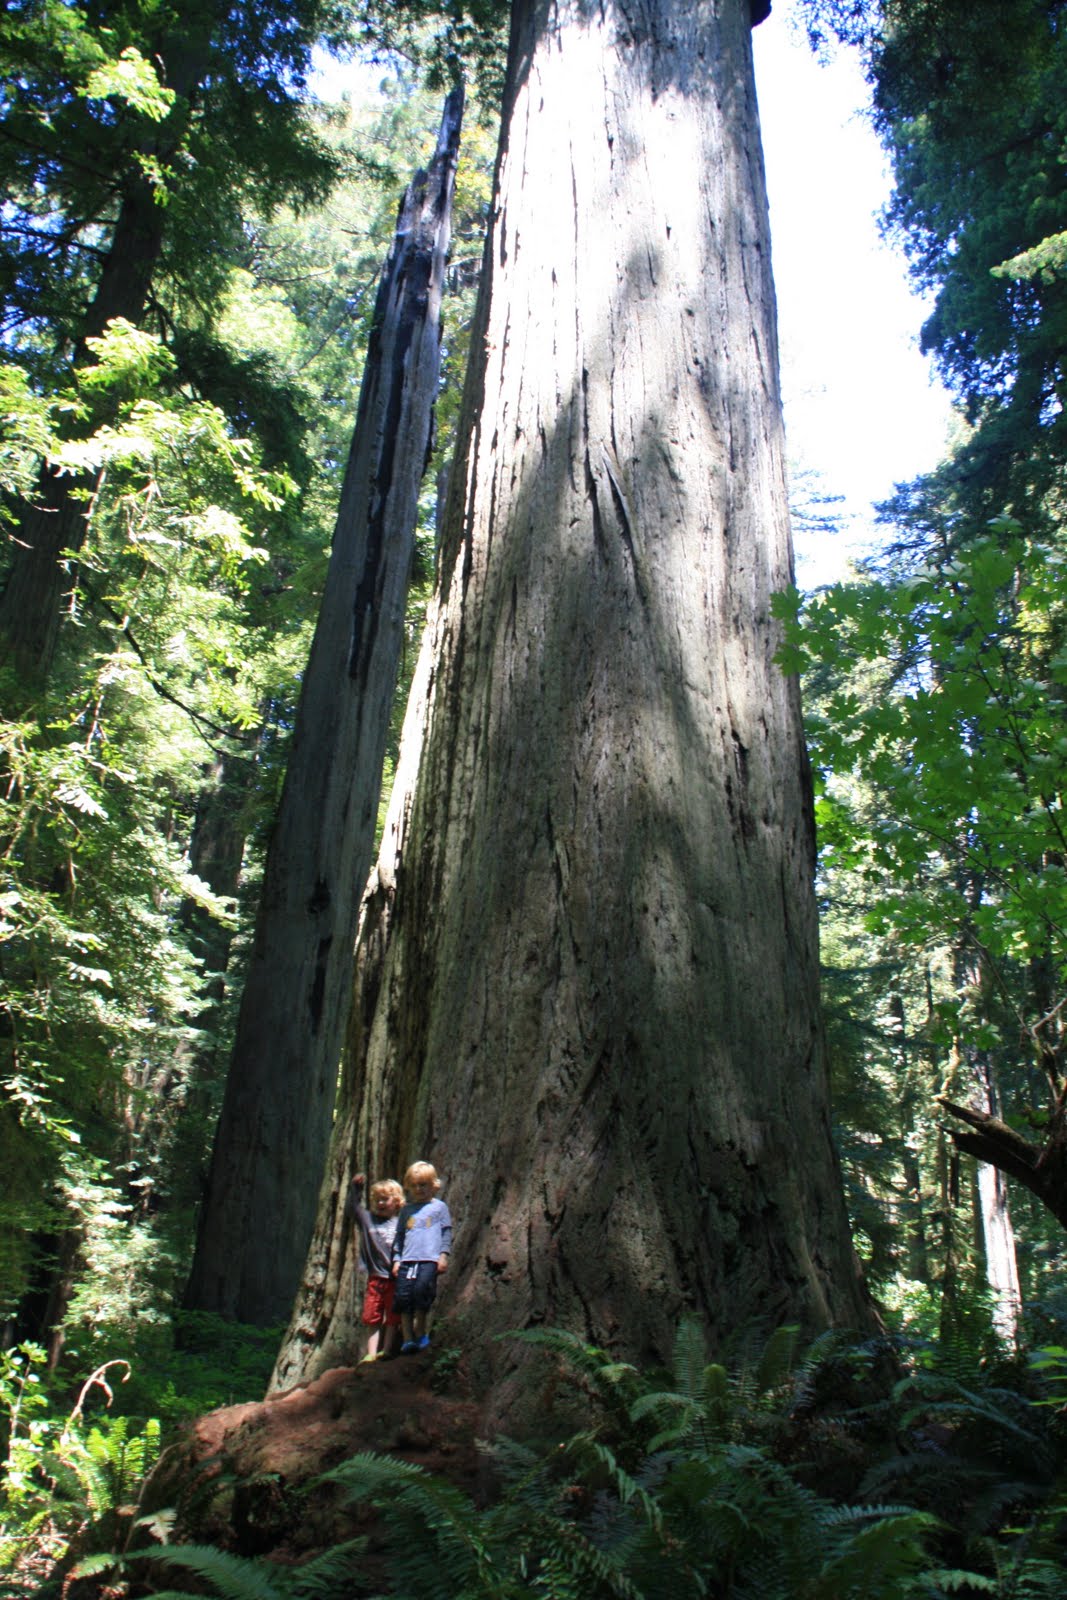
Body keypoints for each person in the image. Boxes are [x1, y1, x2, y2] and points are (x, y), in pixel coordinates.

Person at [391, 1161, 452, 1353]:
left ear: (433, 1185)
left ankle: (421, 1334)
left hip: (429, 1260)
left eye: (423, 1184)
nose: (419, 1189)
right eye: (415, 1185)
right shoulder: (406, 1211)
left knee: (421, 1294)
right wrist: (397, 1259)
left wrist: (443, 1256)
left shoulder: (439, 1208)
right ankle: (407, 1339)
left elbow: (446, 1232)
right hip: (407, 1261)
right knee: (403, 1298)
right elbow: (399, 1236)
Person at [346, 1171, 404, 1362]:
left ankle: (386, 1350)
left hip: (396, 1279)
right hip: (375, 1278)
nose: (380, 1203)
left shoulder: (401, 1224)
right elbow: (354, 1208)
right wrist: (356, 1188)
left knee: (393, 1317)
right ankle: (371, 1354)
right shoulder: (368, 1220)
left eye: (385, 1199)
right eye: (377, 1199)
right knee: (372, 1317)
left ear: (396, 1202)